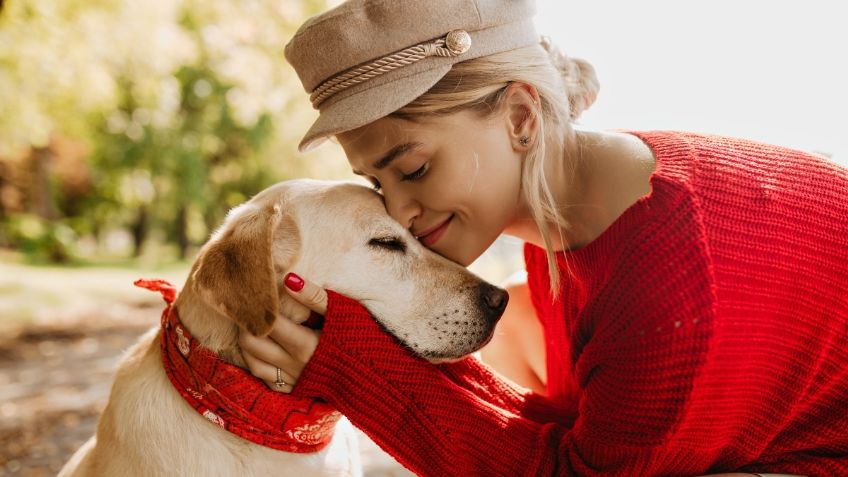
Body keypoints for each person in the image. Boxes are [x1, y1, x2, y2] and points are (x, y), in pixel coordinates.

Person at [238, 1, 848, 475]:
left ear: (521, 118)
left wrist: (358, 371)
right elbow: (573, 431)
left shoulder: (667, 275)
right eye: (375, 182)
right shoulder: (586, 204)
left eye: (414, 168)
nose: (396, 211)